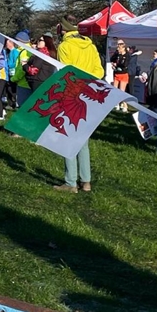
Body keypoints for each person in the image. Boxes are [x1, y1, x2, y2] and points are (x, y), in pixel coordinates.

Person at [53, 15, 103, 193]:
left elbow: (64, 72)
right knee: (83, 140)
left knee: (68, 137)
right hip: (89, 94)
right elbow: (99, 71)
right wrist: (88, 83)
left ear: (63, 30)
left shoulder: (65, 46)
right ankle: (86, 181)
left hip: (71, 94)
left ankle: (70, 182)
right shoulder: (91, 46)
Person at [10, 30, 32, 108]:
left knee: (23, 107)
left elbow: (22, 68)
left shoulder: (24, 52)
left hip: (23, 83)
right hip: (28, 83)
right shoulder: (30, 50)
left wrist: (14, 79)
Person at [109, 40, 131, 113]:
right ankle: (117, 104)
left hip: (123, 74)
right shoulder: (117, 54)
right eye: (118, 48)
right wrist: (116, 54)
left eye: (119, 48)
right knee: (115, 89)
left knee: (122, 91)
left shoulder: (127, 55)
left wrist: (117, 65)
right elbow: (111, 59)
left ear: (123, 48)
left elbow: (125, 64)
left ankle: (125, 105)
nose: (118, 49)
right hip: (116, 73)